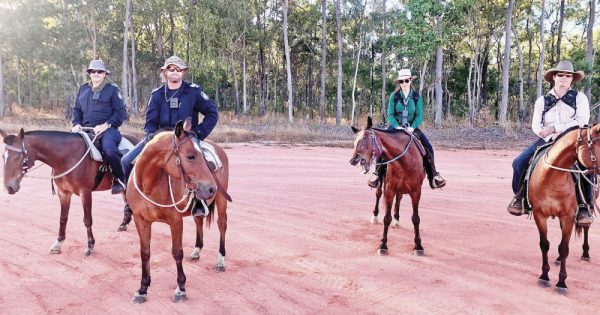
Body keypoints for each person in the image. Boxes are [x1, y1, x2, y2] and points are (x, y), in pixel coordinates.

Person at [121, 55, 218, 216]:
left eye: (178, 69)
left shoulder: (193, 92)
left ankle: (198, 202)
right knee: (126, 161)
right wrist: (153, 137)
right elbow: (150, 122)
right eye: (171, 69)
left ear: (183, 72)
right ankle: (130, 202)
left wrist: (198, 134)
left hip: (186, 137)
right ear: (165, 72)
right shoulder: (157, 94)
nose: (174, 72)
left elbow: (212, 113)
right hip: (160, 137)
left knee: (203, 163)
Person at [507, 60, 593, 225]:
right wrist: (548, 135)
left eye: (568, 76)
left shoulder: (579, 98)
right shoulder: (542, 101)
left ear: (572, 79)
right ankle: (520, 197)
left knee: (586, 166)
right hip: (546, 139)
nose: (563, 78)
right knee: (518, 162)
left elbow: (582, 121)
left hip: (572, 140)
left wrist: (555, 128)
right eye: (560, 75)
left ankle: (584, 206)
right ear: (554, 77)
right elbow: (535, 125)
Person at [368, 69, 446, 190]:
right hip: (395, 127)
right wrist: (396, 125)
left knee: (428, 147)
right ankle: (377, 174)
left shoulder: (416, 97)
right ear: (399, 82)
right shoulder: (394, 96)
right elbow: (390, 114)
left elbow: (419, 116)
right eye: (401, 81)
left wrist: (412, 127)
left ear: (410, 81)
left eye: (406, 80)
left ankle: (433, 176)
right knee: (381, 146)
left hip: (411, 128)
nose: (404, 83)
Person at [72, 59, 127, 194]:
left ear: (104, 74)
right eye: (93, 71)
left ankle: (120, 178)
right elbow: (76, 110)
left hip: (108, 130)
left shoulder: (112, 90)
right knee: (67, 146)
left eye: (100, 71)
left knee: (109, 149)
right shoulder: (83, 89)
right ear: (89, 73)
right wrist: (76, 124)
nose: (96, 73)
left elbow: (121, 113)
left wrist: (106, 125)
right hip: (84, 129)